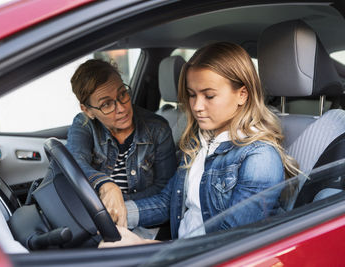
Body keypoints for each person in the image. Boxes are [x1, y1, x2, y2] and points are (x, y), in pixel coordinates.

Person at [100, 42, 298, 246]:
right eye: (192, 94)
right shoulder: (199, 141)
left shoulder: (260, 158)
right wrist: (115, 212)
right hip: (183, 251)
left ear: (242, 94)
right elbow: (169, 202)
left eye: (209, 96)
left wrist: (144, 246)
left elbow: (230, 245)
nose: (196, 106)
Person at [47, 59, 177, 227]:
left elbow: (165, 189)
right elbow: (75, 161)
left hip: (143, 219)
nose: (121, 108)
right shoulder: (84, 124)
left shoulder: (158, 129)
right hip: (94, 217)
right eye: (106, 104)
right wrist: (106, 185)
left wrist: (117, 203)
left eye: (122, 94)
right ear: (87, 110)